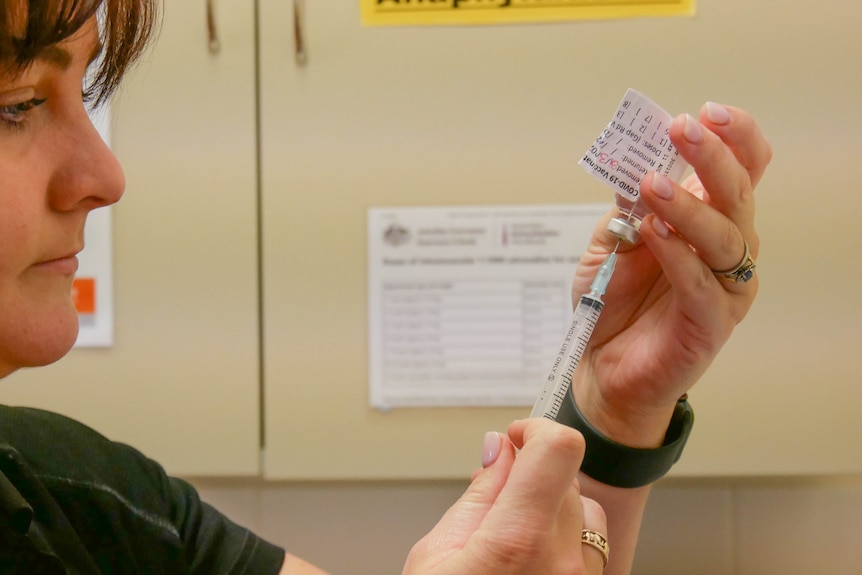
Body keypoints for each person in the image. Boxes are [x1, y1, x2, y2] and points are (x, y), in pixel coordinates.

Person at [0, 1, 771, 574]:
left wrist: (612, 404)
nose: (105, 176)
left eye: (86, 93)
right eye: (18, 105)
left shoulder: (84, 499)